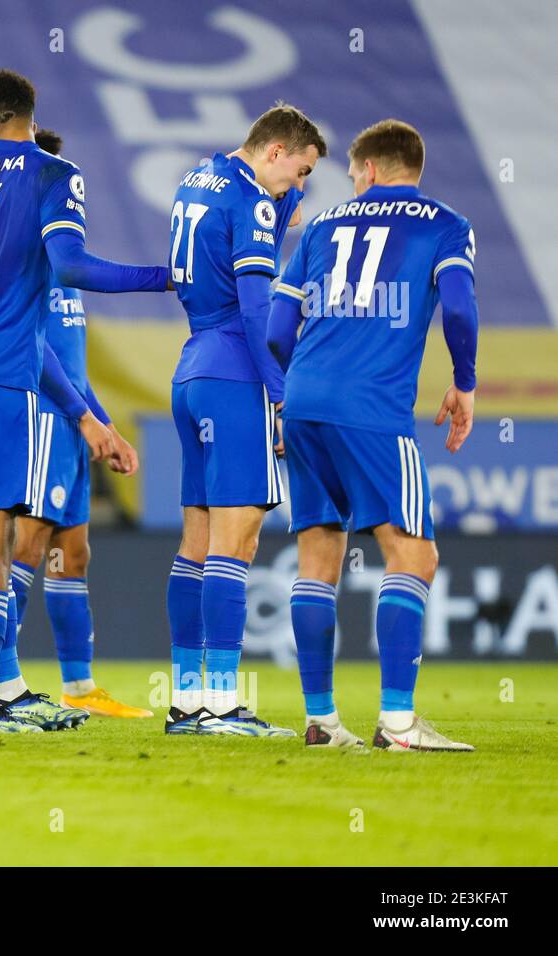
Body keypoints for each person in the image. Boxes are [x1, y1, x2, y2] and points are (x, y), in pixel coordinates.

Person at [0, 69, 170, 732]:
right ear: (26, 115)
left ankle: (0, 691)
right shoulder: (54, 174)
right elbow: (74, 267)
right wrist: (168, 275)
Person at [267, 118, 478, 751]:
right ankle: (398, 723)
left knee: (317, 558)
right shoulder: (446, 224)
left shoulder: (323, 226)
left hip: (303, 402)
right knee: (414, 555)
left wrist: (286, 398)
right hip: (373, 410)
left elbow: (279, 328)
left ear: (371, 170)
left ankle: (322, 721)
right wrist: (464, 381)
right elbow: (461, 308)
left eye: (355, 173)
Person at [164, 104, 323, 737]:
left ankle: (186, 698)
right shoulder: (255, 202)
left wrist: (285, 205)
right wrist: (282, 391)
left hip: (192, 369)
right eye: (301, 170)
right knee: (237, 543)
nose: (300, 187)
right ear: (277, 151)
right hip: (236, 372)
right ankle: (222, 704)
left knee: (196, 545)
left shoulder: (199, 177)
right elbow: (260, 314)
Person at [5, 128, 152, 721]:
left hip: (74, 418)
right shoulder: (22, 265)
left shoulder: (62, 265)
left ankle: (80, 686)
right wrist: (84, 418)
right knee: (30, 543)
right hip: (42, 416)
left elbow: (70, 356)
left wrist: (104, 424)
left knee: (74, 549)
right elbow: (37, 359)